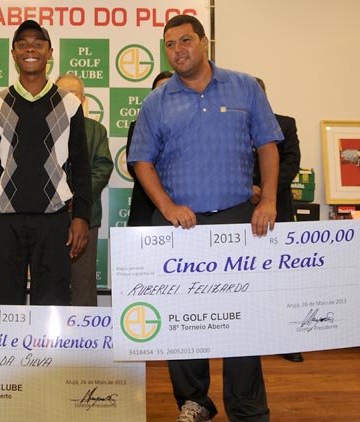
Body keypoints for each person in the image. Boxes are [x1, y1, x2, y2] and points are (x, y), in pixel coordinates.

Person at [128, 15, 282, 422]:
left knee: (243, 318)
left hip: (238, 220)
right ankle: (195, 402)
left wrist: (268, 200)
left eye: (185, 41)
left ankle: (246, 406)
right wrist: (166, 207)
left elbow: (268, 146)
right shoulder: (156, 101)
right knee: (182, 320)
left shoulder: (245, 87)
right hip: (182, 226)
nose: (178, 50)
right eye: (169, 44)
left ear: (205, 42)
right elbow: (141, 161)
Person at [0, 20, 91, 306]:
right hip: (6, 218)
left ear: (50, 52)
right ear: (13, 53)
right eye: (22, 44)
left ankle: (48, 355)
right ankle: (5, 354)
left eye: (38, 43)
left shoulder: (69, 104)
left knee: (52, 303)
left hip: (54, 217)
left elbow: (81, 166)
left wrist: (81, 217)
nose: (30, 49)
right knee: (3, 300)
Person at [253, 77, 302, 363]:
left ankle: (287, 340)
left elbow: (291, 164)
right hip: (240, 210)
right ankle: (248, 336)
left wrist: (266, 193)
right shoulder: (231, 124)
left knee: (282, 278)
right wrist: (248, 190)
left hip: (278, 210)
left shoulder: (285, 123)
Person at [55, 73, 113, 306]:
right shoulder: (44, 129)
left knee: (83, 281)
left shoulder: (96, 130)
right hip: (50, 216)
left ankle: (86, 336)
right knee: (51, 278)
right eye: (63, 93)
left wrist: (77, 198)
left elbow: (103, 168)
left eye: (74, 93)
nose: (69, 98)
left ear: (83, 99)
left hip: (86, 216)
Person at [125, 70, 173, 227]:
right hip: (146, 205)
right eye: (159, 91)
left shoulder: (191, 126)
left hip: (181, 204)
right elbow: (134, 167)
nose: (164, 96)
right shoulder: (139, 125)